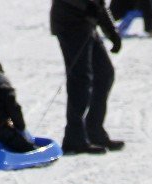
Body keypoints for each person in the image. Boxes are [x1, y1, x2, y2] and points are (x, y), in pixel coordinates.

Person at [50, 0, 124, 154]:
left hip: (86, 23)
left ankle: (94, 130)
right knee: (80, 78)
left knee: (104, 73)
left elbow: (98, 4)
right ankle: (74, 138)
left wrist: (112, 32)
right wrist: (85, 6)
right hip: (69, 21)